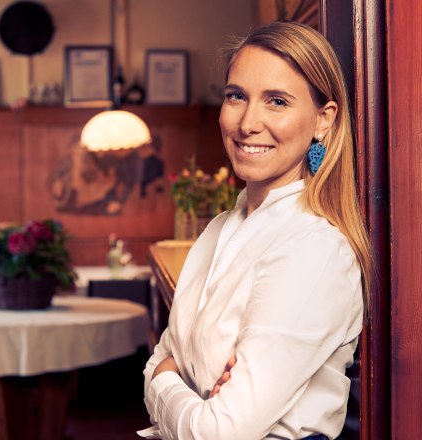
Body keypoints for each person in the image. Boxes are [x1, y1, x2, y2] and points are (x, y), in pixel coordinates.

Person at [142, 21, 373, 440]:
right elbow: (161, 356)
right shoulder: (218, 230)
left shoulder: (314, 248)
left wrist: (163, 379)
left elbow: (216, 432)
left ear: (323, 119)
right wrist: (181, 380)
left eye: (277, 101)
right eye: (236, 96)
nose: (248, 122)